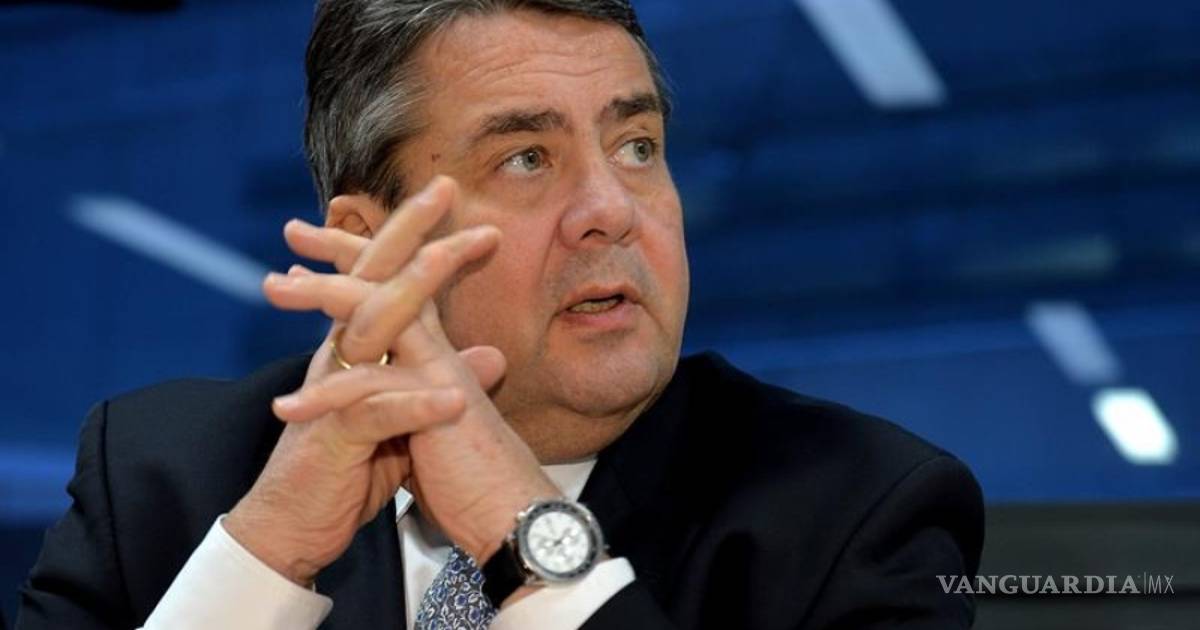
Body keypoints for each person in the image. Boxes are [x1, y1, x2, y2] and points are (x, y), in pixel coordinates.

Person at [16, 1, 984, 628]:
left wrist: (525, 539)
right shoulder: (161, 478)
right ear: (369, 244)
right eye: (526, 159)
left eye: (637, 146)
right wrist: (267, 557)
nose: (612, 209)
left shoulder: (856, 509)